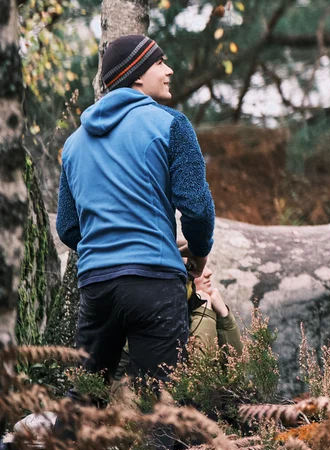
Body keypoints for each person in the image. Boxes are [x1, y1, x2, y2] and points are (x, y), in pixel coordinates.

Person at [56, 34, 215, 384]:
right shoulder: (172, 125)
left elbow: (68, 228)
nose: (169, 70)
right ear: (137, 75)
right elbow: (198, 210)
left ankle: (60, 440)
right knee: (161, 406)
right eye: (160, 62)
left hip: (96, 288)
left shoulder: (72, 144)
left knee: (85, 398)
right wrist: (199, 255)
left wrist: (108, 243)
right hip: (154, 283)